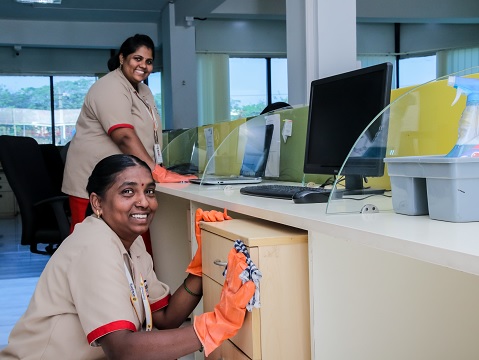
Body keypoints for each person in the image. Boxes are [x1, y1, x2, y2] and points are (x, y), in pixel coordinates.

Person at [1, 154, 255, 359]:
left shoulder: (131, 244)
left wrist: (199, 271)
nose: (144, 202)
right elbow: (123, 350)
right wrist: (216, 324)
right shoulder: (94, 247)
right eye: (127, 192)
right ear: (97, 203)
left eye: (150, 191)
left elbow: (166, 319)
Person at [62, 34, 196, 234]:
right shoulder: (109, 86)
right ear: (122, 58)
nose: (143, 65)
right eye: (137, 58)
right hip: (93, 181)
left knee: (133, 242)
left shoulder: (143, 91)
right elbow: (123, 136)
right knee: (92, 243)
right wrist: (157, 172)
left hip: (125, 179)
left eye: (149, 61)